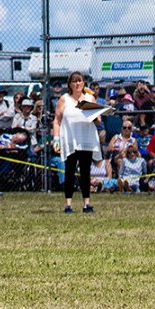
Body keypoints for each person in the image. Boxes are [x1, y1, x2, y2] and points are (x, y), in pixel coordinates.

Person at [52, 71, 102, 213]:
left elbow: (98, 120)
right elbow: (57, 120)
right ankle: (68, 204)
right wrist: (56, 139)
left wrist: (94, 115)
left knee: (85, 171)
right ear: (70, 84)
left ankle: (87, 203)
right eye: (74, 81)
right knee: (70, 171)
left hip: (86, 138)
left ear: (83, 83)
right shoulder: (64, 99)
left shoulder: (89, 98)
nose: (77, 84)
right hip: (70, 139)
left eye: (79, 81)